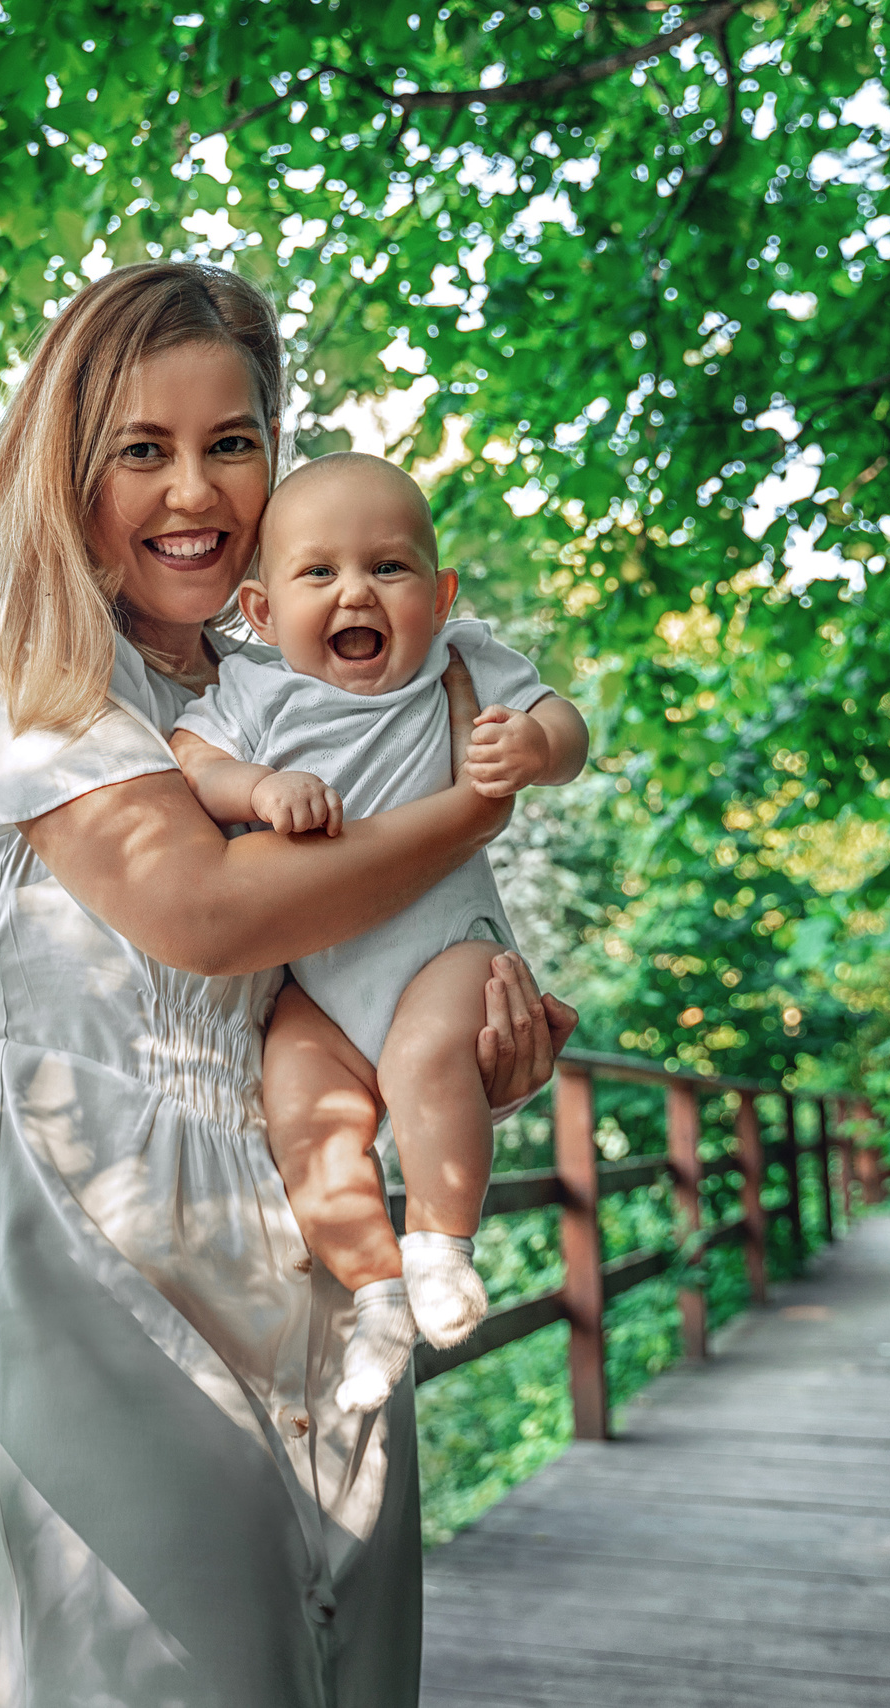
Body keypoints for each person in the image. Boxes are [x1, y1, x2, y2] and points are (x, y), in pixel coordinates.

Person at [0, 261, 575, 1706]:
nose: (193, 491)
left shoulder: (275, 683)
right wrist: (468, 812)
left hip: (316, 1218)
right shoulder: (30, 676)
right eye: (142, 450)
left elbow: (338, 964)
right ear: (67, 469)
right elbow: (203, 914)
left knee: (351, 1656)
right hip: (110, 1220)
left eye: (232, 444)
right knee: (179, 1672)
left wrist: (470, 1026)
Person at [169, 453, 589, 1413]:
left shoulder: (459, 659)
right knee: (303, 1117)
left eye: (389, 569)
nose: (356, 591)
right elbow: (194, 758)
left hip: (448, 948)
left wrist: (537, 747)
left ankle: (441, 1245)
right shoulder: (258, 694)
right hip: (319, 987)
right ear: (264, 613)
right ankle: (377, 1290)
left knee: (428, 1052)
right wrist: (261, 789)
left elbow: (562, 721)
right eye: (319, 573)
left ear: (438, 596)